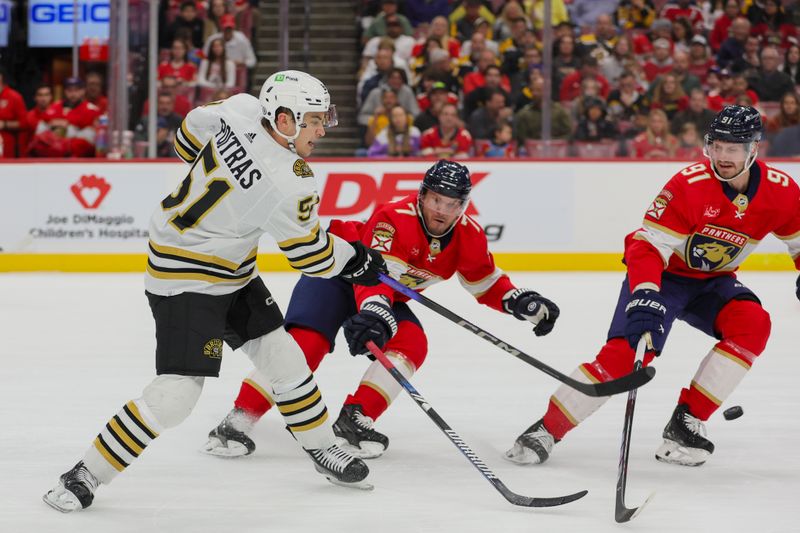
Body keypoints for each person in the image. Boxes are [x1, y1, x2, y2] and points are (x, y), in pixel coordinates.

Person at [42, 70, 389, 513]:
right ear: (284, 120)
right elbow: (310, 257)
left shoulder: (241, 108)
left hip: (228, 267)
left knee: (284, 357)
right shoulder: (291, 179)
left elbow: (188, 135)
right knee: (177, 394)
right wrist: (357, 260)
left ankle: (322, 447)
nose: (323, 129)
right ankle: (84, 473)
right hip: (187, 279)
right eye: (315, 120)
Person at [201, 159, 561, 459]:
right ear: (422, 195)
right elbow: (373, 277)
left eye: (452, 203)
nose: (442, 210)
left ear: (463, 205)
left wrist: (519, 301)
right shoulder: (393, 217)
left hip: (385, 299)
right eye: (436, 199)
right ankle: (238, 419)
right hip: (336, 280)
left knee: (412, 345)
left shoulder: (468, 235)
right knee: (304, 347)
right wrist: (375, 311)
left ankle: (355, 418)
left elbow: (484, 281)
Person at [505, 105, 800, 469]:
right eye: (717, 146)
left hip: (713, 283)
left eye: (733, 148)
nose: (722, 157)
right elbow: (647, 247)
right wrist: (645, 292)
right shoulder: (688, 186)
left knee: (753, 325)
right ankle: (545, 430)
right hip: (662, 279)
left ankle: (686, 422)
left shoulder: (781, 191)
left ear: (754, 149)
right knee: (623, 358)